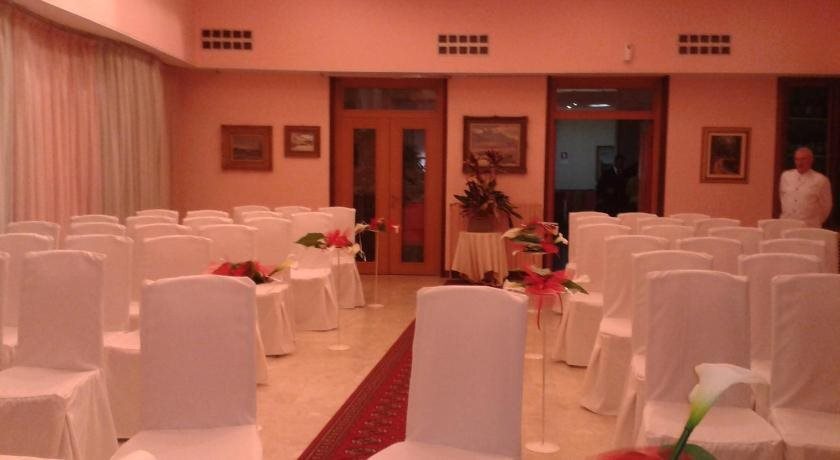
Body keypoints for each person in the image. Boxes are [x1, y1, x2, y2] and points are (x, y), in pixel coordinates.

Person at [779, 146, 833, 227]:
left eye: (803, 159)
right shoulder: (785, 176)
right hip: (786, 223)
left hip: (808, 225)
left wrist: (814, 221)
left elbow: (826, 206)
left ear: (811, 160)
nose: (799, 163)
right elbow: (782, 196)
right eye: (797, 159)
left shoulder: (821, 180)